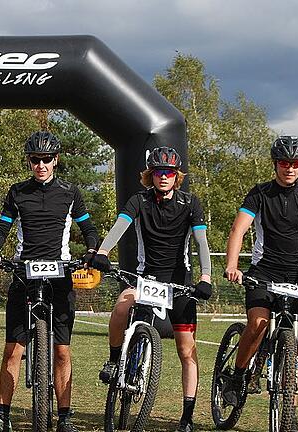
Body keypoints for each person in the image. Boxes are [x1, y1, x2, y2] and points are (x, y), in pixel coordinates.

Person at [0, 131, 100, 432]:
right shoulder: (17, 192)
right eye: (35, 160)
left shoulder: (70, 192)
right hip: (24, 273)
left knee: (61, 350)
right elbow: (3, 227)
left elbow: (88, 228)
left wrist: (94, 250)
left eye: (46, 159)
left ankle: (66, 417)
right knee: (13, 349)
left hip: (60, 274)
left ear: (56, 160)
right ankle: (1, 416)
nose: (41, 165)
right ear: (30, 162)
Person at [89, 146, 212, 432]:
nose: (164, 177)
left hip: (180, 283)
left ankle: (187, 415)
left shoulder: (190, 203)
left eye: (169, 172)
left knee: (186, 350)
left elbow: (201, 242)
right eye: (159, 172)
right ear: (150, 175)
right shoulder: (139, 201)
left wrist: (205, 277)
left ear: (177, 176)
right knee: (122, 304)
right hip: (147, 278)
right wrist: (104, 251)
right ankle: (113, 359)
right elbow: (120, 225)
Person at [221, 136, 298, 414]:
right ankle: (238, 375)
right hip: (262, 271)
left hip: (294, 276)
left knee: (293, 345)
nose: (289, 168)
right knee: (259, 323)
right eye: (284, 163)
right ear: (275, 164)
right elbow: (238, 230)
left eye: (295, 163)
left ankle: (290, 414)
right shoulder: (259, 193)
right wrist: (232, 265)